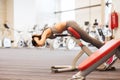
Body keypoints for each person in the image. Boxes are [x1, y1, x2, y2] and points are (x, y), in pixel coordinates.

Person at [32, 20, 104, 48]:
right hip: (68, 28)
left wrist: (35, 38)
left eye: (37, 46)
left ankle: (104, 48)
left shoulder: (45, 32)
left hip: (70, 24)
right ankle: (102, 48)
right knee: (87, 40)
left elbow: (41, 43)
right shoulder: (46, 35)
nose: (39, 46)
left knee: (89, 39)